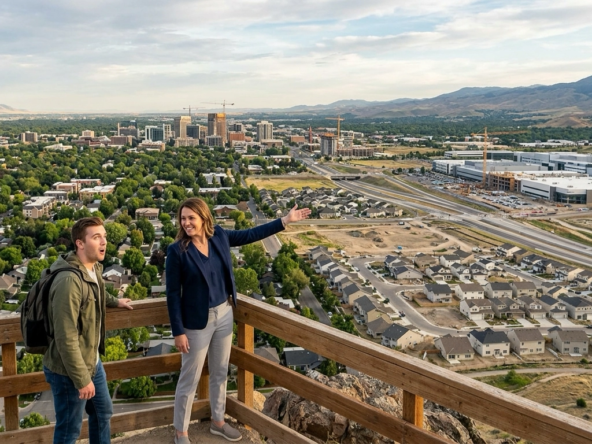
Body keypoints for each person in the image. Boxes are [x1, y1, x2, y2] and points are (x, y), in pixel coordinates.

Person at [166, 198, 310, 443]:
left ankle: (218, 422)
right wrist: (178, 331)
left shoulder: (219, 236)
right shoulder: (177, 250)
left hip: (224, 314)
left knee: (221, 371)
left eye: (191, 217)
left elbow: (250, 234)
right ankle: (181, 432)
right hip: (196, 324)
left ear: (203, 218)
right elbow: (172, 294)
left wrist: (284, 221)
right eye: (183, 218)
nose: (186, 222)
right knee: (189, 379)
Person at [43, 217, 133, 444]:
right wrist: (82, 379)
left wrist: (115, 301)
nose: (104, 241)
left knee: (103, 412)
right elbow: (65, 338)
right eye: (96, 237)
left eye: (104, 236)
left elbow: (96, 291)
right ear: (79, 244)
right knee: (68, 431)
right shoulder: (69, 282)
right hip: (68, 370)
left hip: (91, 361)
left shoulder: (92, 269)